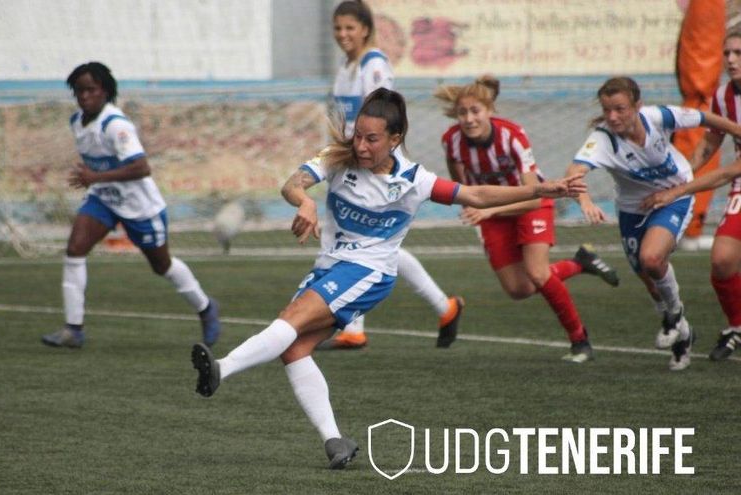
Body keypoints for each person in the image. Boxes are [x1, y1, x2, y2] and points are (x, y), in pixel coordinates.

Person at [192, 88, 587, 469]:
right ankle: (335, 441)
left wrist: (541, 189)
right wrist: (306, 201)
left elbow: (476, 195)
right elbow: (291, 184)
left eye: (372, 139)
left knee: (291, 319)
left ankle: (221, 369)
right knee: (294, 349)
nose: (361, 146)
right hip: (330, 266)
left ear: (395, 139)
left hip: (369, 272)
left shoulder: (414, 180)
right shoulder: (337, 157)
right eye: (358, 136)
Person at [434, 76, 619, 364]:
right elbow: (462, 183)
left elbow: (533, 197)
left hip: (530, 203)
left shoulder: (512, 136)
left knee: (538, 273)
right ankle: (580, 263)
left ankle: (579, 340)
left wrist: (488, 211)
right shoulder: (452, 141)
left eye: (475, 111)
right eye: (462, 113)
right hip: (491, 211)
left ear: (490, 110)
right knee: (519, 289)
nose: (469, 119)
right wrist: (475, 205)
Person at [565, 76, 741, 370]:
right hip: (633, 210)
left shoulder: (658, 116)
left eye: (620, 109)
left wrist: (737, 130)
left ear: (638, 106)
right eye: (607, 110)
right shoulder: (603, 139)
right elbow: (573, 172)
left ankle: (674, 316)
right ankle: (683, 333)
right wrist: (585, 201)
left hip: (674, 195)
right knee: (650, 279)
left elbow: (704, 118)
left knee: (652, 258)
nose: (613, 117)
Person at [41, 62, 221, 348]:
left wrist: (95, 177)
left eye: (91, 90)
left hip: (140, 206)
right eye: (79, 91)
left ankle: (206, 307)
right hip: (104, 199)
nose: (84, 96)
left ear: (104, 91)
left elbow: (141, 167)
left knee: (161, 265)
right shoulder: (77, 121)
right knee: (75, 250)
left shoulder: (116, 126)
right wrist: (97, 180)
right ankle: (73, 330)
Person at [322, 0, 463, 350]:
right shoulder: (346, 66)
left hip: (375, 163)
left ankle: (353, 326)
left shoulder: (374, 64)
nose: (343, 34)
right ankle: (443, 308)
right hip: (354, 160)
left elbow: (382, 116)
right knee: (374, 242)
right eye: (338, 28)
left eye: (350, 27)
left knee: (358, 238)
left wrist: (368, 154)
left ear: (365, 29)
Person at [641, 32, 741, 360]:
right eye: (727, 53)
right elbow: (710, 143)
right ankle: (737, 327)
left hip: (735, 174)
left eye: (738, 53)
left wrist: (679, 190)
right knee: (722, 260)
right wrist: (680, 175)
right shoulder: (723, 96)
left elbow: (728, 171)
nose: (731, 60)